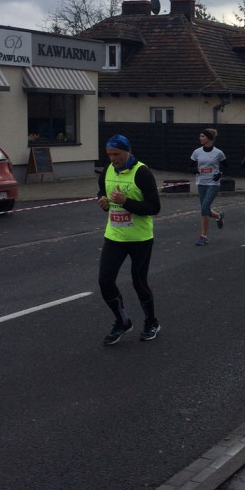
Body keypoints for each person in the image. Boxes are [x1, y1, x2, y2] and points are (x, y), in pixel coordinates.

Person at [97, 134, 161, 345]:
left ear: (127, 152)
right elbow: (100, 191)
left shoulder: (142, 172)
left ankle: (151, 322)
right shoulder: (107, 170)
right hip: (114, 236)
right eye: (109, 154)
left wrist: (126, 202)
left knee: (138, 281)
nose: (113, 158)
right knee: (105, 281)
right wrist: (102, 201)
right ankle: (122, 321)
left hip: (140, 238)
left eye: (116, 154)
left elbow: (154, 207)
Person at [190, 128, 226, 245]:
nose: (200, 138)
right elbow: (190, 165)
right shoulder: (197, 152)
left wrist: (219, 174)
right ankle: (218, 215)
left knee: (204, 207)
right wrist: (194, 169)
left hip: (213, 184)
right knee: (204, 208)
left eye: (202, 136)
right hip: (201, 182)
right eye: (200, 136)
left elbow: (226, 165)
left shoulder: (218, 153)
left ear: (209, 138)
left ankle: (203, 236)